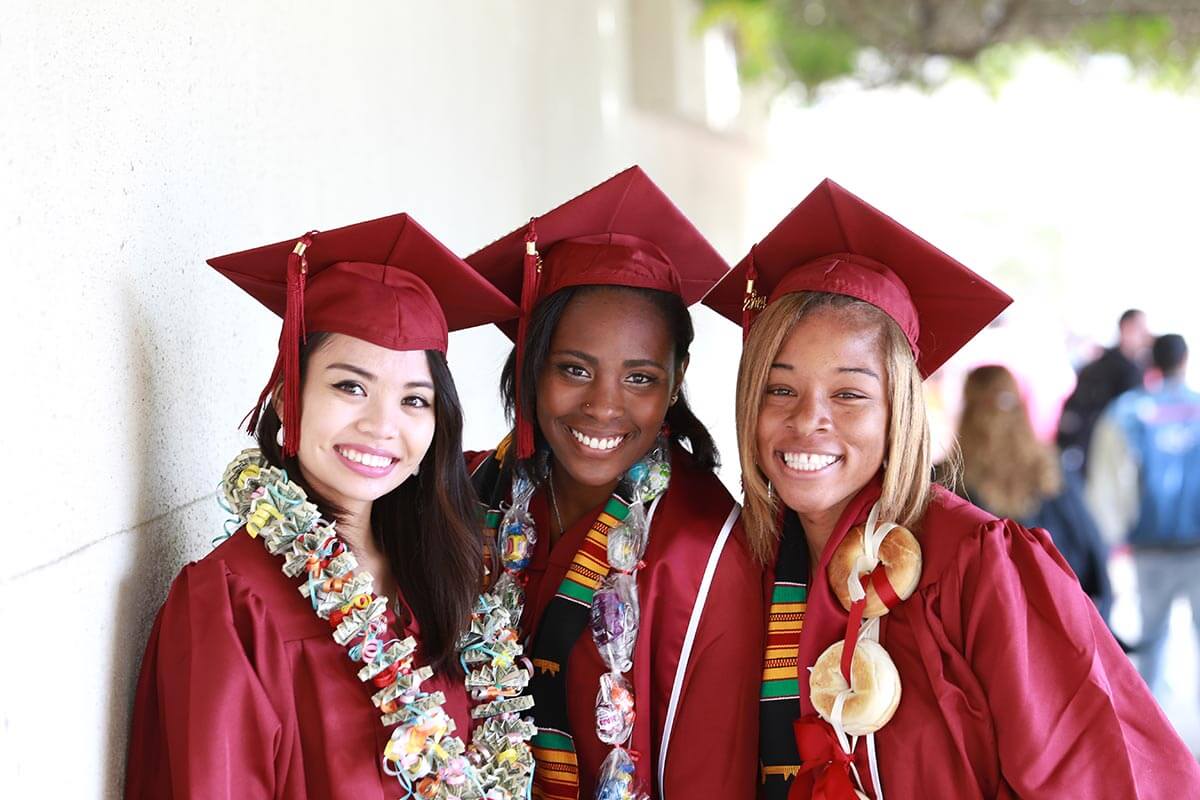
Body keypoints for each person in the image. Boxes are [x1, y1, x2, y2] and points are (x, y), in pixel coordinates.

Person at [704, 179, 1197, 798]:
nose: (808, 420)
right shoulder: (736, 567)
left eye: (850, 393)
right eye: (780, 389)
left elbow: (1097, 775)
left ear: (899, 409)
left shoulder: (975, 561)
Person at [125, 215, 535, 799]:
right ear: (288, 397)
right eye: (350, 386)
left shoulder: (447, 580)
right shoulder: (232, 604)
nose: (381, 426)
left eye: (414, 399)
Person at [464, 166, 763, 800]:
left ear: (677, 378)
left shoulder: (703, 556)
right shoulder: (473, 493)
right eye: (574, 369)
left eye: (640, 378)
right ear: (529, 363)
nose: (603, 408)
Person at [1087, 333, 1200, 698]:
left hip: (1149, 542)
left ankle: (1156, 740)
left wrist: (1112, 535)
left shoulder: (1127, 411)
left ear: (1151, 363)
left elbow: (1106, 482)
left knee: (1151, 640)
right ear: (1184, 361)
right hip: (1196, 543)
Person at [955, 364, 1113, 619]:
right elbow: (1088, 541)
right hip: (1056, 607)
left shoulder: (951, 478)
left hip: (992, 617)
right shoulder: (1050, 469)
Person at [1056, 308, 1151, 474]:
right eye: (1141, 329)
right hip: (1103, 453)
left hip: (1091, 452)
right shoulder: (1122, 370)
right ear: (1127, 328)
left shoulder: (1102, 365)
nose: (1146, 336)